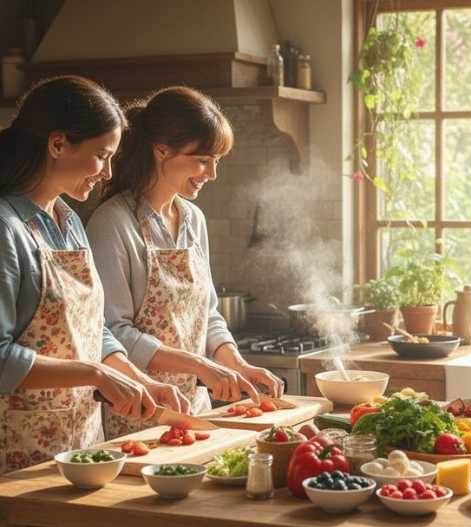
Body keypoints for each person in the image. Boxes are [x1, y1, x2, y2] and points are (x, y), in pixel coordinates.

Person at [0, 76, 188, 473]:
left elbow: (91, 329)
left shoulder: (68, 221)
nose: (107, 173)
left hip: (83, 448)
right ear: (57, 144)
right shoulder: (6, 228)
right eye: (102, 155)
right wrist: (95, 374)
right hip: (17, 458)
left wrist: (139, 380)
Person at [87, 86, 283, 438]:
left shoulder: (194, 220)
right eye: (203, 160)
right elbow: (113, 332)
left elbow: (208, 314)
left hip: (195, 408)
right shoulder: (112, 223)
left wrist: (236, 364)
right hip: (141, 412)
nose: (212, 173)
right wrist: (202, 366)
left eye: (217, 161)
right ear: (161, 149)